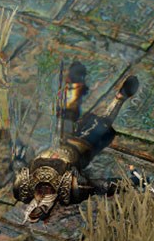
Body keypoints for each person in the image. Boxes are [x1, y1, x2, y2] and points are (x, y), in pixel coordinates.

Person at [10, 63, 140, 222]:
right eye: (42, 209)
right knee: (101, 124)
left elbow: (19, 161)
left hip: (59, 142)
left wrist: (18, 152)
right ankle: (119, 98)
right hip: (79, 147)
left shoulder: (24, 186)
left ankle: (75, 84)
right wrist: (130, 182)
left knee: (66, 115)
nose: (43, 193)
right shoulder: (69, 190)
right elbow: (101, 186)